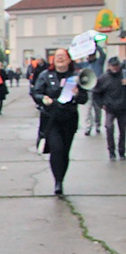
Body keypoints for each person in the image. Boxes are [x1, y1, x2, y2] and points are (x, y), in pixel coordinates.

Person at [31, 48, 88, 195]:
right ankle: (57, 182)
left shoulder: (75, 77)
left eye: (63, 56)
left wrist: (77, 94)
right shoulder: (45, 75)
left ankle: (61, 178)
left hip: (69, 118)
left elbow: (83, 99)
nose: (60, 58)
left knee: (65, 151)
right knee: (57, 149)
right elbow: (36, 92)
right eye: (57, 56)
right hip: (51, 119)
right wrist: (44, 99)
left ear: (69, 60)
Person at [94, 56, 126, 160]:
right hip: (110, 108)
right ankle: (111, 151)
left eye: (116, 65)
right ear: (109, 66)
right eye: (113, 66)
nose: (115, 68)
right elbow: (96, 93)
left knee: (123, 131)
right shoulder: (104, 78)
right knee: (109, 128)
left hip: (123, 108)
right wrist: (101, 104)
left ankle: (122, 151)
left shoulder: (124, 75)